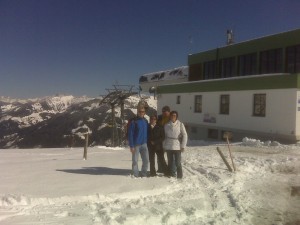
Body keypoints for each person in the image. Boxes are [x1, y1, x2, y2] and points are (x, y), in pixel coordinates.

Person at [163, 111, 188, 179]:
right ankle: (172, 174)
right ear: (170, 116)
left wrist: (183, 146)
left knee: (177, 162)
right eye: (172, 115)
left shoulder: (180, 124)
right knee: (170, 162)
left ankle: (180, 176)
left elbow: (185, 135)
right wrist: (164, 146)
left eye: (174, 115)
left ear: (176, 116)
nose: (173, 117)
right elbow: (164, 136)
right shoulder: (166, 125)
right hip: (169, 145)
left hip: (177, 146)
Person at [128, 106, 149, 177]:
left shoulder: (145, 121)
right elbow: (130, 134)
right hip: (136, 144)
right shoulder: (134, 121)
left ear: (144, 113)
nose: (141, 113)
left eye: (143, 112)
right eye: (140, 111)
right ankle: (135, 174)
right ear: (137, 112)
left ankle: (144, 173)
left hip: (144, 144)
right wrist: (131, 146)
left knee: (146, 160)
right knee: (135, 161)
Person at [156, 105, 171, 173]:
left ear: (169, 112)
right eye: (163, 111)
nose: (164, 113)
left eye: (166, 111)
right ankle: (160, 169)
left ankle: (170, 169)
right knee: (160, 155)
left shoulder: (172, 118)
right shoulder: (159, 118)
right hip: (161, 140)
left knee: (170, 156)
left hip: (169, 140)